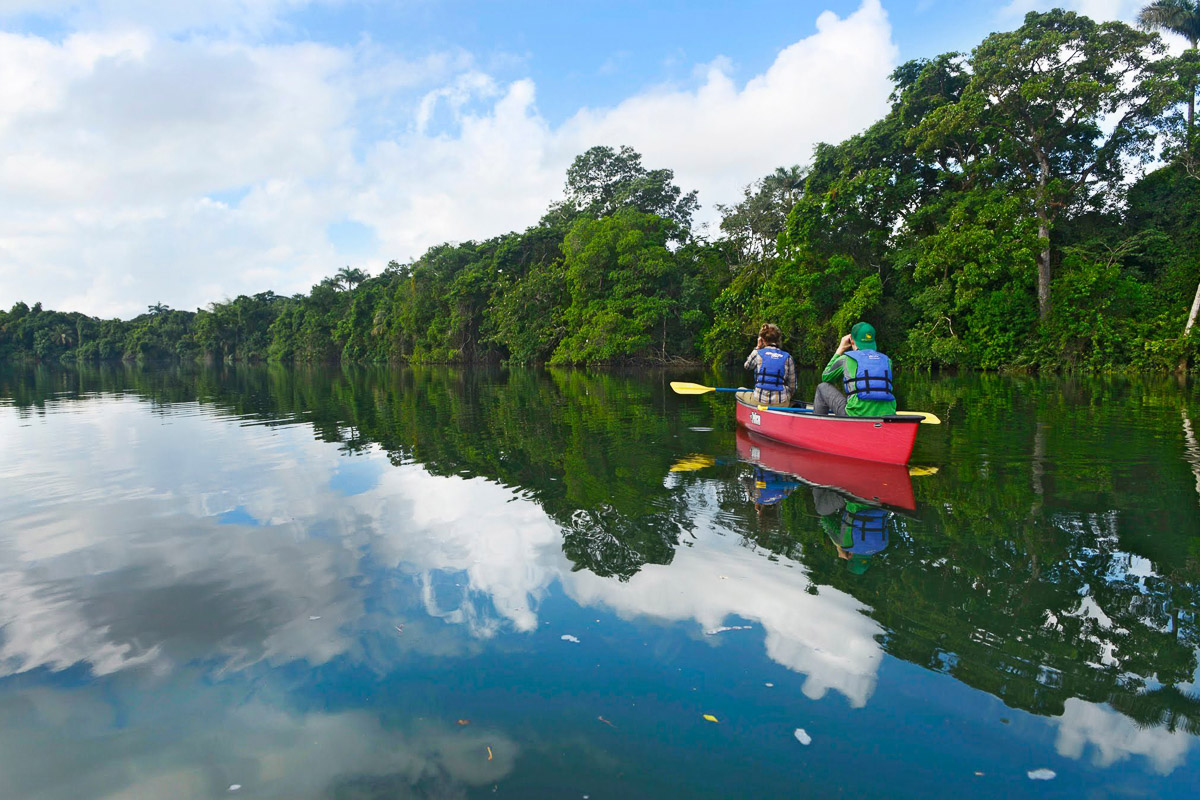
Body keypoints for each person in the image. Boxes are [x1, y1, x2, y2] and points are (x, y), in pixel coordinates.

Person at [812, 321, 896, 417]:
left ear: (851, 341)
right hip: (888, 415)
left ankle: (819, 427)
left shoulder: (846, 359)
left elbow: (826, 377)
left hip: (855, 414)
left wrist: (840, 349)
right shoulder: (887, 360)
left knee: (822, 386)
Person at [737, 323, 796, 407]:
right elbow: (792, 386)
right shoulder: (788, 357)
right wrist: (786, 396)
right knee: (786, 394)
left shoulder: (758, 353)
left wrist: (758, 347)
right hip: (781, 403)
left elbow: (747, 366)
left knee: (739, 391)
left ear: (762, 339)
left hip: (759, 400)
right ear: (778, 339)